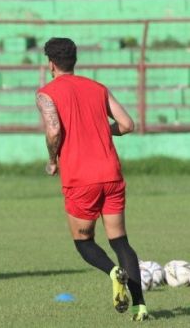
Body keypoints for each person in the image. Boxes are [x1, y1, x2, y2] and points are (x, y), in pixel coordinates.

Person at [36, 38, 148, 321]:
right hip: (111, 173)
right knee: (121, 241)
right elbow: (127, 124)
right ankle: (140, 307)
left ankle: (113, 272)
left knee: (84, 242)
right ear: (75, 60)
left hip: (80, 178)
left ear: (50, 63)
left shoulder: (46, 93)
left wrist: (52, 161)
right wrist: (97, 129)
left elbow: (53, 132)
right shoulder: (98, 88)